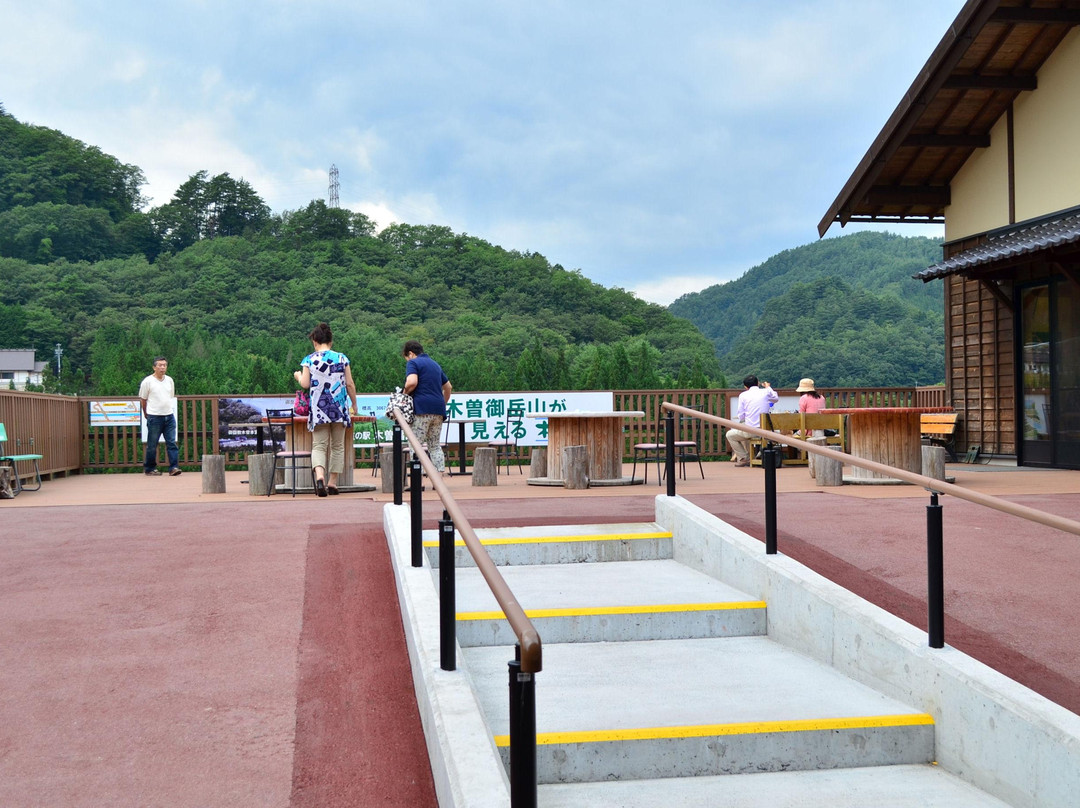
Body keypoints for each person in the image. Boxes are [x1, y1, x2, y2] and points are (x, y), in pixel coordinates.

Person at [294, 323, 358, 497]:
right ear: (331, 341)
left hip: (319, 409)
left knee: (319, 446)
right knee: (338, 446)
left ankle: (320, 477)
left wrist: (298, 376)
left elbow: (305, 384)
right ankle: (332, 483)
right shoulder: (342, 358)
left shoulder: (309, 360)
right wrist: (354, 404)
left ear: (315, 341)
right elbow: (350, 384)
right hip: (339, 408)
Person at [402, 340, 452, 474]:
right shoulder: (435, 364)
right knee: (434, 446)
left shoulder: (413, 363)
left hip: (421, 409)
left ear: (411, 354)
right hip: (438, 410)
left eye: (406, 357)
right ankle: (439, 477)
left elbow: (411, 382)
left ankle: (417, 478)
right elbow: (448, 387)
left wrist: (404, 394)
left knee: (416, 445)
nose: (407, 360)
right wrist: (443, 403)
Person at [139, 356, 181, 476]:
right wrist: (146, 413)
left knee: (171, 443)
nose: (162, 368)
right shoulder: (147, 381)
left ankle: (174, 467)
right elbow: (143, 399)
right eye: (160, 365)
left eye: (164, 365)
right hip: (154, 416)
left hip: (169, 415)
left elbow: (171, 396)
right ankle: (150, 468)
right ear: (154, 367)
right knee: (152, 444)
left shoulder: (169, 380)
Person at [725, 374, 778, 467]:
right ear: (758, 383)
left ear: (745, 387)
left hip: (751, 431)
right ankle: (761, 452)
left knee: (730, 435)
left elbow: (741, 416)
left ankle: (744, 458)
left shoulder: (743, 395)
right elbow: (775, 399)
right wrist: (768, 387)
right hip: (766, 431)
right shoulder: (765, 392)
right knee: (773, 435)